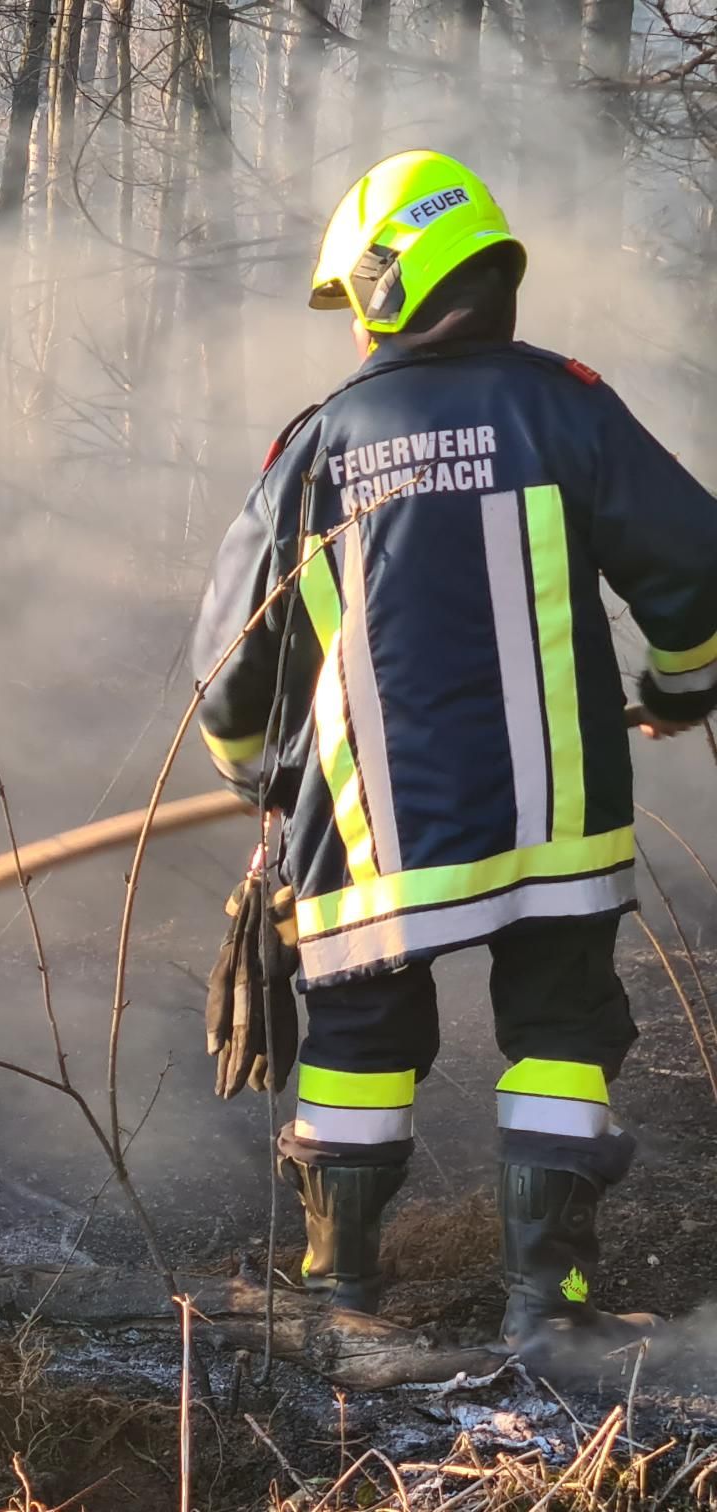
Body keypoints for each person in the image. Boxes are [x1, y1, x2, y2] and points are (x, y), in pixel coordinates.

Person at [190, 150, 717, 1351]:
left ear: (383, 286)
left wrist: (256, 778)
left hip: (378, 831)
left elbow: (233, 670)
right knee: (563, 1029)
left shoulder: (322, 446)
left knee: (361, 1045)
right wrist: (683, 685)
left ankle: (340, 1308)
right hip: (560, 817)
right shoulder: (566, 401)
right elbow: (695, 563)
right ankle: (554, 1310)